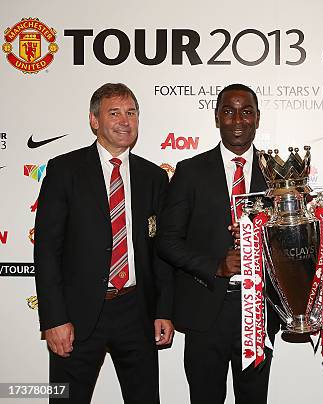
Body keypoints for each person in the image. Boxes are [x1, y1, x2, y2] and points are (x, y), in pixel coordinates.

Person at [34, 83, 174, 403]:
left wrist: (164, 310)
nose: (125, 121)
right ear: (94, 121)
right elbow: (46, 250)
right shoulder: (64, 170)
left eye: (131, 113)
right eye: (115, 113)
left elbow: (160, 252)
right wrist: (54, 319)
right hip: (77, 316)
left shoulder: (153, 176)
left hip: (137, 312)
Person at [156, 83, 278, 404]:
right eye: (228, 111)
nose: (237, 120)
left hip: (259, 311)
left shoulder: (279, 175)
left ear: (257, 118)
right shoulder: (190, 171)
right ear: (216, 118)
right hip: (205, 311)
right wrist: (216, 267)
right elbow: (167, 241)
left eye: (246, 112)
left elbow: (293, 244)